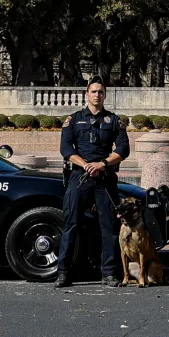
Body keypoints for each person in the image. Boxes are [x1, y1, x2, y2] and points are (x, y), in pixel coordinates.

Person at [55, 78, 130, 288]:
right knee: (71, 225)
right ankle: (63, 273)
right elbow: (66, 149)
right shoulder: (74, 119)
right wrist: (86, 164)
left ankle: (109, 273)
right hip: (80, 177)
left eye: (101, 92)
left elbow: (123, 149)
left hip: (104, 179)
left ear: (105, 95)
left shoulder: (114, 121)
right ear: (86, 94)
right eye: (94, 91)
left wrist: (103, 164)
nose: (97, 95)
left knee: (109, 227)